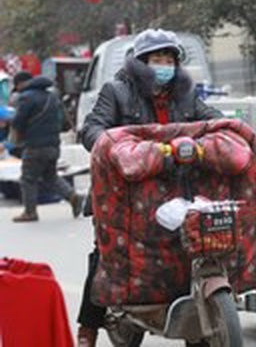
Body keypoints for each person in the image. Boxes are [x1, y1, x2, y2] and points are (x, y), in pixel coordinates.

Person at [75, 28, 222, 347]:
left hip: (175, 189)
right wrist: (115, 149)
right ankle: (88, 327)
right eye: (157, 59)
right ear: (140, 62)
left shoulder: (185, 93)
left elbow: (212, 120)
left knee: (190, 249)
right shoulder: (117, 91)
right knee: (105, 255)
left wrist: (231, 131)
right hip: (124, 192)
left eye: (169, 59)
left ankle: (194, 322)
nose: (164, 65)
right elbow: (91, 129)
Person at [10, 71, 84, 223]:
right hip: (53, 145)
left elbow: (18, 121)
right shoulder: (52, 96)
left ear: (21, 83)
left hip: (35, 146)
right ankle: (72, 196)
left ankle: (30, 212)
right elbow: (62, 120)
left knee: (28, 179)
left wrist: (17, 138)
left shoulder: (26, 97)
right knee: (50, 176)